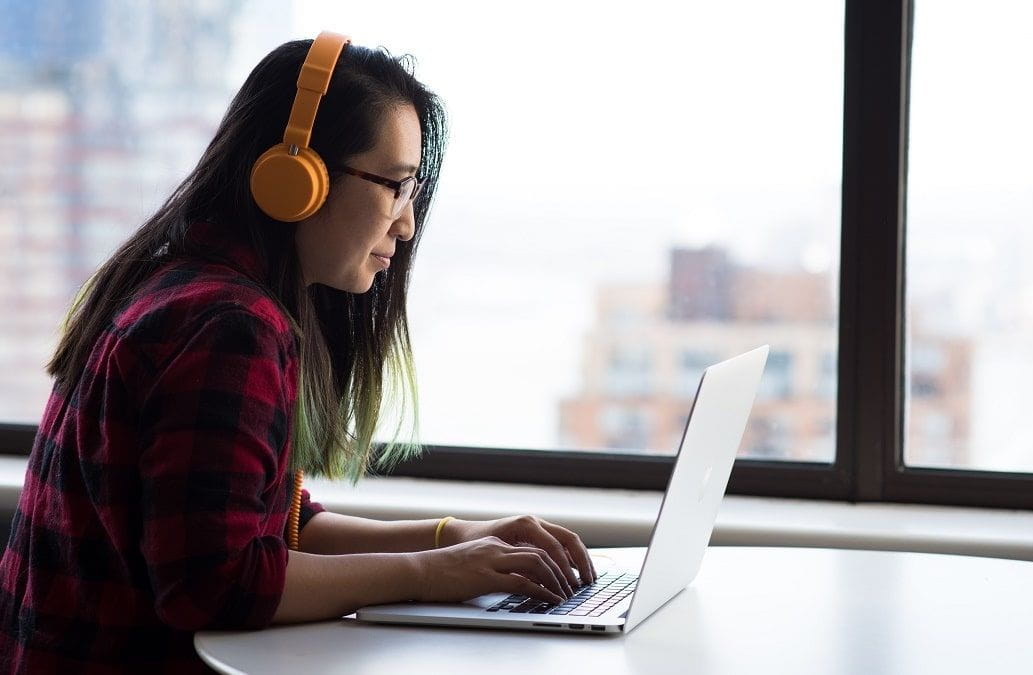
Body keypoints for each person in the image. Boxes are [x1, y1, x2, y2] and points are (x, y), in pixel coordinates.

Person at [0, 31, 596, 673]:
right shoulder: (229, 324)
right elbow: (216, 583)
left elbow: (270, 521)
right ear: (296, 177)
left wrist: (455, 537)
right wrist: (431, 572)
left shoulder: (187, 283)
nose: (407, 222)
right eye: (393, 185)